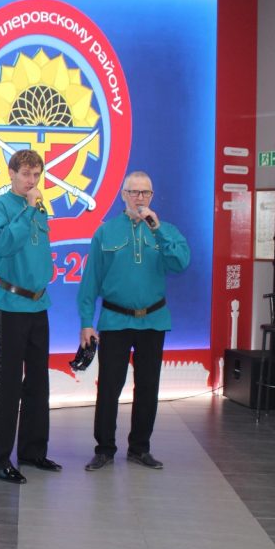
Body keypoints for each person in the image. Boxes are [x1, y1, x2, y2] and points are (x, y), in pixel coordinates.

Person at [78, 171, 191, 471]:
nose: (140, 198)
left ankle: (140, 448)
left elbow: (181, 262)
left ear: (152, 196)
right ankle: (104, 449)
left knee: (148, 387)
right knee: (109, 387)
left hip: (153, 321)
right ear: (123, 195)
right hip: (115, 320)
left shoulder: (165, 231)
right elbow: (90, 281)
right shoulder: (106, 232)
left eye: (146, 193)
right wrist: (86, 322)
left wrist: (158, 230)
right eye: (134, 192)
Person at [0, 149, 61, 484]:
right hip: (12, 305)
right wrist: (28, 210)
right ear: (11, 173)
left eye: (37, 174)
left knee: (38, 384)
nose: (32, 180)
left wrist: (33, 209)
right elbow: (2, 245)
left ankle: (33, 451)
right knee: (9, 384)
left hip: (39, 305)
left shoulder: (40, 208)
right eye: (26, 174)